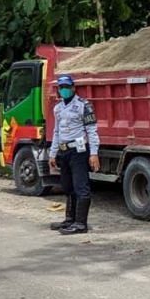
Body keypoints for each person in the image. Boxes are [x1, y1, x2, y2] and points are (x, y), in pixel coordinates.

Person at [48, 74, 100, 235]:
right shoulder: (58, 108)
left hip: (79, 151)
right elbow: (56, 132)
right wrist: (52, 153)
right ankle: (70, 219)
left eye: (66, 87)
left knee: (81, 187)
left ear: (73, 88)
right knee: (67, 186)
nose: (63, 90)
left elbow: (92, 131)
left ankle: (80, 224)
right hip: (64, 151)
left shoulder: (84, 106)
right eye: (61, 87)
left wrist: (94, 153)